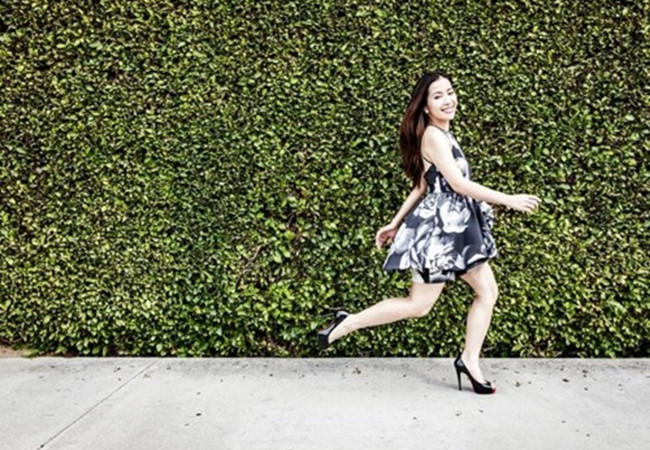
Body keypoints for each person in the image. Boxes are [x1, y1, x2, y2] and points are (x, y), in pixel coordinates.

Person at [317, 70, 541, 394]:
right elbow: (458, 184)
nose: (448, 100)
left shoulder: (443, 135)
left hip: (456, 229)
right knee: (419, 306)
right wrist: (508, 199)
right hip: (442, 234)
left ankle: (469, 360)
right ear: (425, 106)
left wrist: (395, 222)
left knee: (487, 292)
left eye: (450, 92)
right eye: (438, 96)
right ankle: (348, 322)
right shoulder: (434, 137)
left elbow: (423, 185)